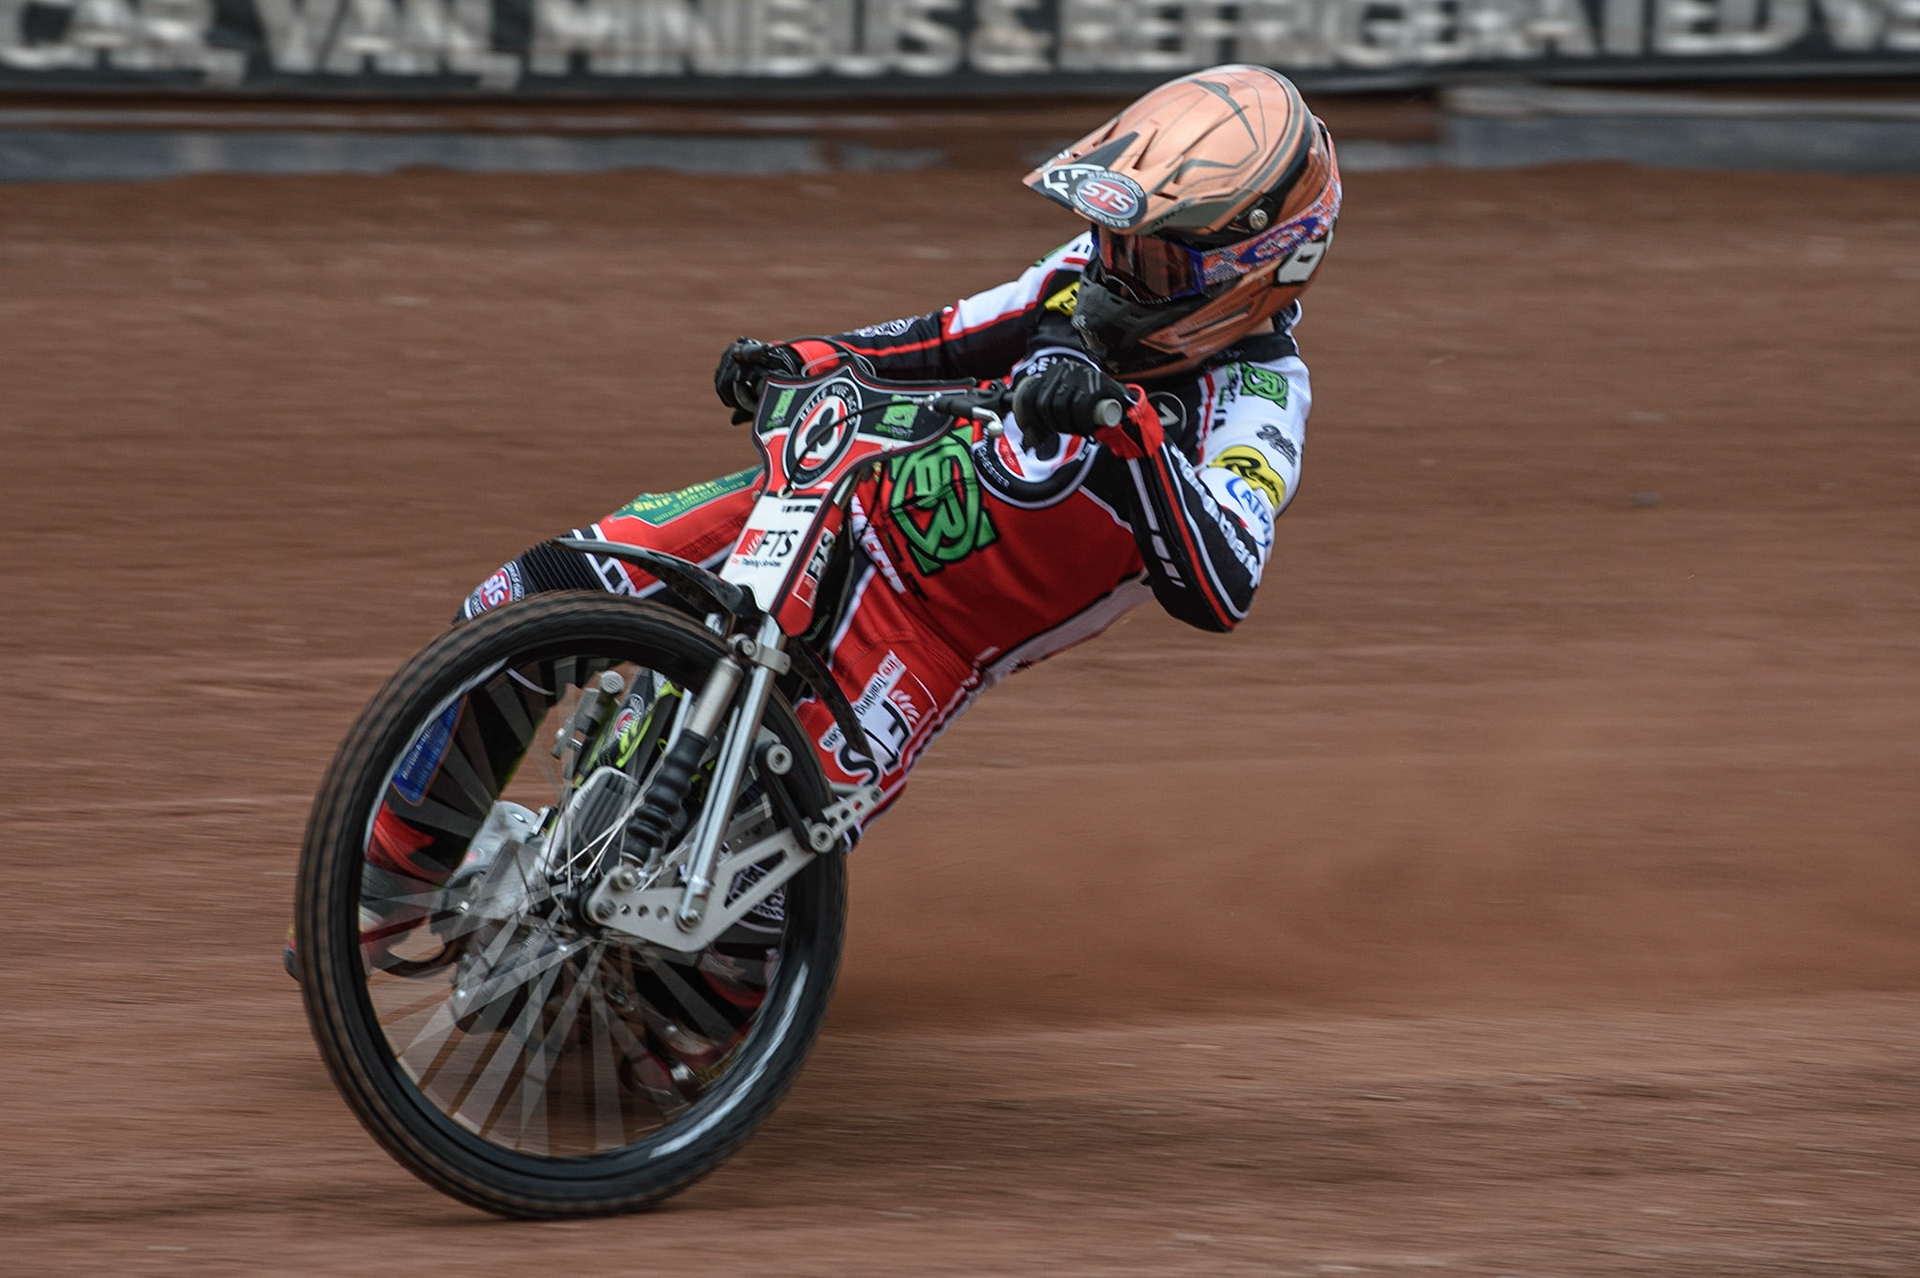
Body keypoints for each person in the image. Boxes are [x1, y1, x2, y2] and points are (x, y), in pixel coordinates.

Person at [287, 63, 1341, 978]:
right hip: (831, 502)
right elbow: (939, 339)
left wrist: (1128, 427)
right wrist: (803, 356)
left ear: (1255, 268)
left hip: (922, 641)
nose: (1115, 266)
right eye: (1114, 236)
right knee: (525, 600)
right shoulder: (1085, 279)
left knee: (743, 921)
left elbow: (1225, 583)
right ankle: (388, 888)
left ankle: (661, 1043)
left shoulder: (1256, 401)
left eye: (1154, 255)